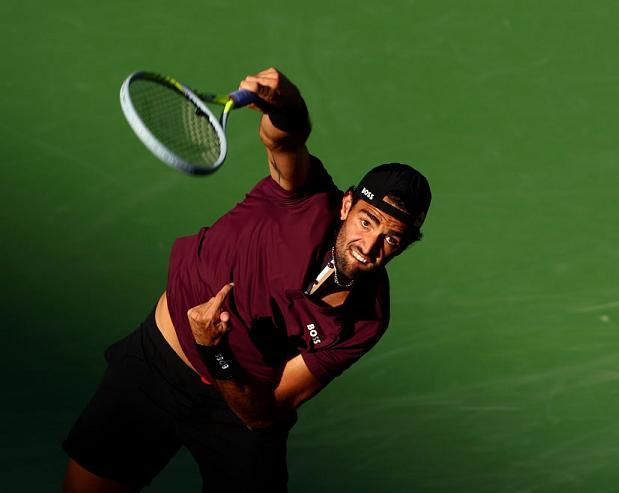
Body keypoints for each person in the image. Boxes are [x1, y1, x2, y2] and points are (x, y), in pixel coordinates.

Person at [62, 67, 432, 493]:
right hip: (157, 365)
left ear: (406, 246)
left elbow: (263, 413)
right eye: (367, 222)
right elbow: (284, 136)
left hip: (237, 410)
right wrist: (286, 98)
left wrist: (214, 348)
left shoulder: (366, 320)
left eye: (392, 239)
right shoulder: (302, 195)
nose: (369, 246)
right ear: (346, 204)